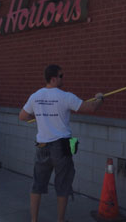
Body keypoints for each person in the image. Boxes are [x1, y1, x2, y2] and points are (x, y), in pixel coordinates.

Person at [19, 64, 104, 222]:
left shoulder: (35, 96)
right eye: (61, 76)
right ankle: (60, 220)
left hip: (42, 146)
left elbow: (22, 116)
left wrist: (38, 116)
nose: (62, 78)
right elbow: (91, 107)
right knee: (63, 186)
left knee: (37, 184)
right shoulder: (65, 97)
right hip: (61, 148)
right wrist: (99, 97)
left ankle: (34, 220)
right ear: (53, 79)